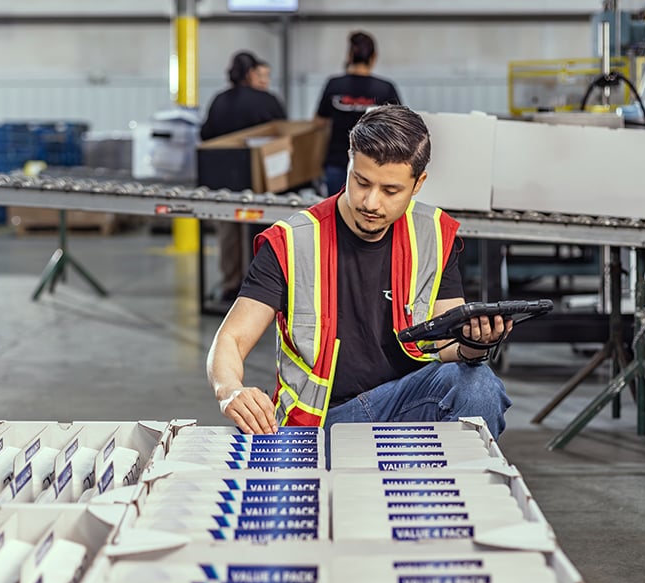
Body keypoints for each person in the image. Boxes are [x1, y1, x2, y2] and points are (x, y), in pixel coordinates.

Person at [207, 105, 513, 439]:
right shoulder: (292, 242)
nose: (370, 202)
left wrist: (474, 344)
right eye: (361, 182)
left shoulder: (433, 236)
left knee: (479, 386)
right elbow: (231, 338)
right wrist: (230, 390)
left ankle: (445, 474)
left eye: (390, 191)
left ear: (418, 183)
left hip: (404, 405)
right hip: (322, 423)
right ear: (349, 163)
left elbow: (447, 346)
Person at [200, 51, 287, 302]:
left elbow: (206, 134)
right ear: (250, 73)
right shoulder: (267, 100)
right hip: (261, 180)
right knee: (262, 231)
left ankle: (231, 284)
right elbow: (283, 134)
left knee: (228, 233)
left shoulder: (219, 100)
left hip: (224, 179)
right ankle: (261, 287)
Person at [314, 31, 402, 196]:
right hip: (374, 164)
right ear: (374, 57)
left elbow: (318, 122)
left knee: (336, 207)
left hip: (337, 161)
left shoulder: (334, 85)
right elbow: (398, 127)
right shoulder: (384, 88)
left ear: (349, 56)